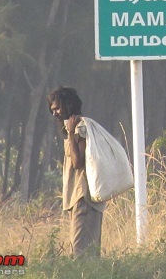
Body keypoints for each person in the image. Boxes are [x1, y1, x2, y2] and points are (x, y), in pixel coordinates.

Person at [46, 86, 104, 256]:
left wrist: (71, 133)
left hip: (82, 198)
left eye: (57, 108)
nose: (55, 113)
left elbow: (78, 162)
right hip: (79, 199)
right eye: (52, 110)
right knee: (89, 253)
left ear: (68, 104)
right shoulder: (73, 127)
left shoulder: (80, 127)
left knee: (80, 255)